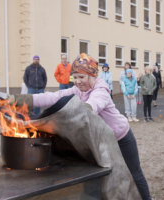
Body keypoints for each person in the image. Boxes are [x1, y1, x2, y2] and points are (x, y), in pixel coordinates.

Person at [13, 53, 151, 200]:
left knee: (134, 173)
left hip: (121, 138)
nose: (77, 81)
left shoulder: (101, 90)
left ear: (92, 76)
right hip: (101, 141)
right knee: (97, 176)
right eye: (75, 77)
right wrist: (23, 99)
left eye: (82, 77)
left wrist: (82, 109)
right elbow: (53, 97)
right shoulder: (77, 90)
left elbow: (94, 104)